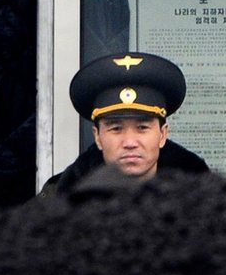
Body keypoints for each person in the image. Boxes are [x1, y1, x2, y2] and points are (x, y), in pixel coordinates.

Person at [42, 51, 209, 195]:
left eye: (142, 128)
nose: (129, 142)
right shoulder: (59, 200)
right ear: (98, 137)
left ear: (162, 135)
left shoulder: (204, 201)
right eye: (116, 128)